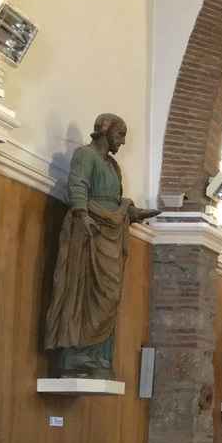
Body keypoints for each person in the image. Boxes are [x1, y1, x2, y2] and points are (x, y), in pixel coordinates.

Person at [45, 114, 159, 377]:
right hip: (89, 233)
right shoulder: (86, 156)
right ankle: (77, 355)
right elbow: (78, 187)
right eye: (120, 135)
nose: (123, 141)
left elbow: (115, 201)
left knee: (110, 295)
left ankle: (97, 356)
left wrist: (134, 213)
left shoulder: (113, 166)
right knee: (84, 290)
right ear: (105, 131)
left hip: (111, 235)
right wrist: (83, 216)